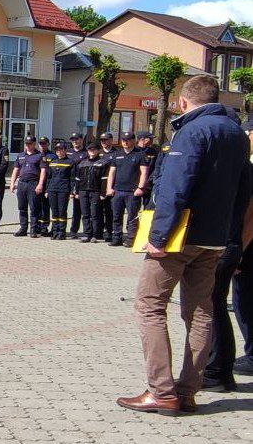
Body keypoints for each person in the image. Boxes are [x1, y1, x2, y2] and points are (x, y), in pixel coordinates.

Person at [117, 75, 250, 416]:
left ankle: (160, 391)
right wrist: (231, 240)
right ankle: (188, 391)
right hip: (215, 239)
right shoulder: (237, 134)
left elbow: (176, 186)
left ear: (183, 101)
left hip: (178, 237)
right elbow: (244, 192)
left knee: (149, 306)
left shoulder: (191, 130)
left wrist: (158, 237)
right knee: (201, 311)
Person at [201, 119, 253, 391]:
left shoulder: (245, 169)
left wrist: (238, 251)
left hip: (236, 247)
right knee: (222, 303)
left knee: (216, 303)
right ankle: (222, 369)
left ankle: (218, 370)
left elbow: (249, 218)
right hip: (237, 246)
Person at [105, 132, 149, 247]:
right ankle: (117, 237)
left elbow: (144, 172)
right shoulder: (117, 154)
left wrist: (140, 188)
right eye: (124, 140)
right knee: (116, 216)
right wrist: (109, 187)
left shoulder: (140, 154)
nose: (125, 142)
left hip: (132, 192)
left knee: (132, 217)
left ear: (133, 140)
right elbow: (112, 172)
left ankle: (131, 238)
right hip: (117, 191)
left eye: (128, 140)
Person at [8, 135, 46, 238]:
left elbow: (43, 171)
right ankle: (23, 228)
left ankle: (33, 229)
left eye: (30, 144)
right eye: (26, 144)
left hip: (33, 183)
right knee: (22, 207)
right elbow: (16, 169)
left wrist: (40, 184)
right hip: (22, 183)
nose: (28, 146)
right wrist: (12, 183)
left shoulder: (40, 155)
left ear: (34, 144)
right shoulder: (20, 155)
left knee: (34, 208)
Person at [73, 141, 106, 243]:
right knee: (85, 213)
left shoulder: (102, 163)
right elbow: (78, 179)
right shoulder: (82, 163)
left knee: (95, 214)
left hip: (95, 191)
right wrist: (77, 191)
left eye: (94, 150)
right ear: (87, 151)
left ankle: (95, 235)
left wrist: (102, 193)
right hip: (83, 191)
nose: (92, 151)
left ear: (98, 151)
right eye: (90, 150)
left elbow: (104, 179)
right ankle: (86, 234)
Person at [43, 141, 75, 240]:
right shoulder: (53, 162)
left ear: (65, 150)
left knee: (62, 211)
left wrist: (71, 192)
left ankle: (62, 232)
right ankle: (55, 231)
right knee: (54, 211)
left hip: (64, 190)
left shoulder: (70, 162)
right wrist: (47, 190)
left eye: (61, 150)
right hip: (52, 189)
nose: (59, 152)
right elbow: (49, 178)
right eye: (57, 150)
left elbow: (72, 179)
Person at [68, 133, 88, 238]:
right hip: (68, 183)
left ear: (81, 140)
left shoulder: (86, 153)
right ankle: (69, 230)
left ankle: (84, 231)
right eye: (73, 139)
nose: (75, 141)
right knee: (63, 209)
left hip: (81, 183)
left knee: (80, 209)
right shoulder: (68, 152)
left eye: (77, 139)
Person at [98, 132, 117, 244]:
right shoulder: (98, 152)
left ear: (111, 140)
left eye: (106, 140)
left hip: (110, 184)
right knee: (98, 210)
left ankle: (109, 232)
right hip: (98, 184)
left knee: (109, 210)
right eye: (102, 140)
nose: (104, 142)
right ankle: (98, 231)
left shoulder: (116, 153)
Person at [35, 137, 55, 236]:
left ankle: (44, 227)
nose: (42, 146)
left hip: (47, 183)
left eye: (44, 144)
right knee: (36, 206)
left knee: (46, 206)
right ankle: (37, 226)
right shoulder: (36, 154)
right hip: (35, 184)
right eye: (41, 144)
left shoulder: (52, 156)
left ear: (48, 144)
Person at [137, 131, 159, 209]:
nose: (152, 141)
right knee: (134, 207)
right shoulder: (135, 151)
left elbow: (156, 167)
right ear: (143, 139)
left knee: (148, 207)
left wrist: (149, 180)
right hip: (136, 184)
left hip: (149, 183)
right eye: (150, 139)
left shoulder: (153, 151)